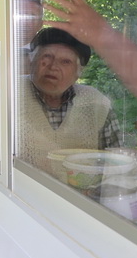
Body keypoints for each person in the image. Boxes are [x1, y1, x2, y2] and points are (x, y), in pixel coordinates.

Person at [18, 26, 121, 168]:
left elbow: (114, 163)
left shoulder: (96, 104)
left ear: (79, 72)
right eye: (47, 57)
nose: (53, 66)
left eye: (65, 62)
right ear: (32, 60)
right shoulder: (10, 93)